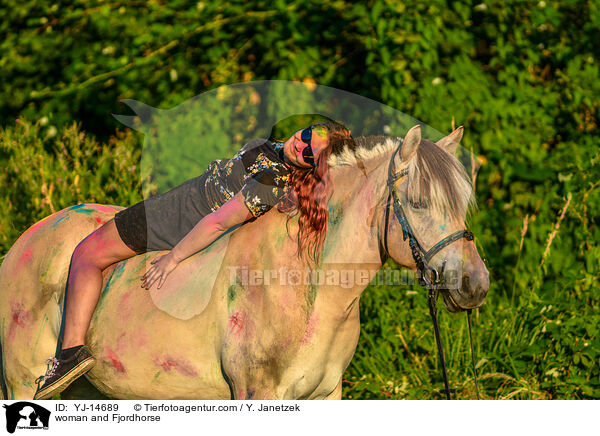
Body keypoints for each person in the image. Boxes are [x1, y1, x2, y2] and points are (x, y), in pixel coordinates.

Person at [33, 118, 354, 400]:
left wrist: (173, 258)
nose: (302, 144)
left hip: (178, 216)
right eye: (310, 134)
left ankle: (71, 352)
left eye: (311, 153)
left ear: (312, 167)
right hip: (185, 206)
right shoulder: (274, 156)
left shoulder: (271, 181)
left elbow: (217, 222)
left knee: (87, 253)